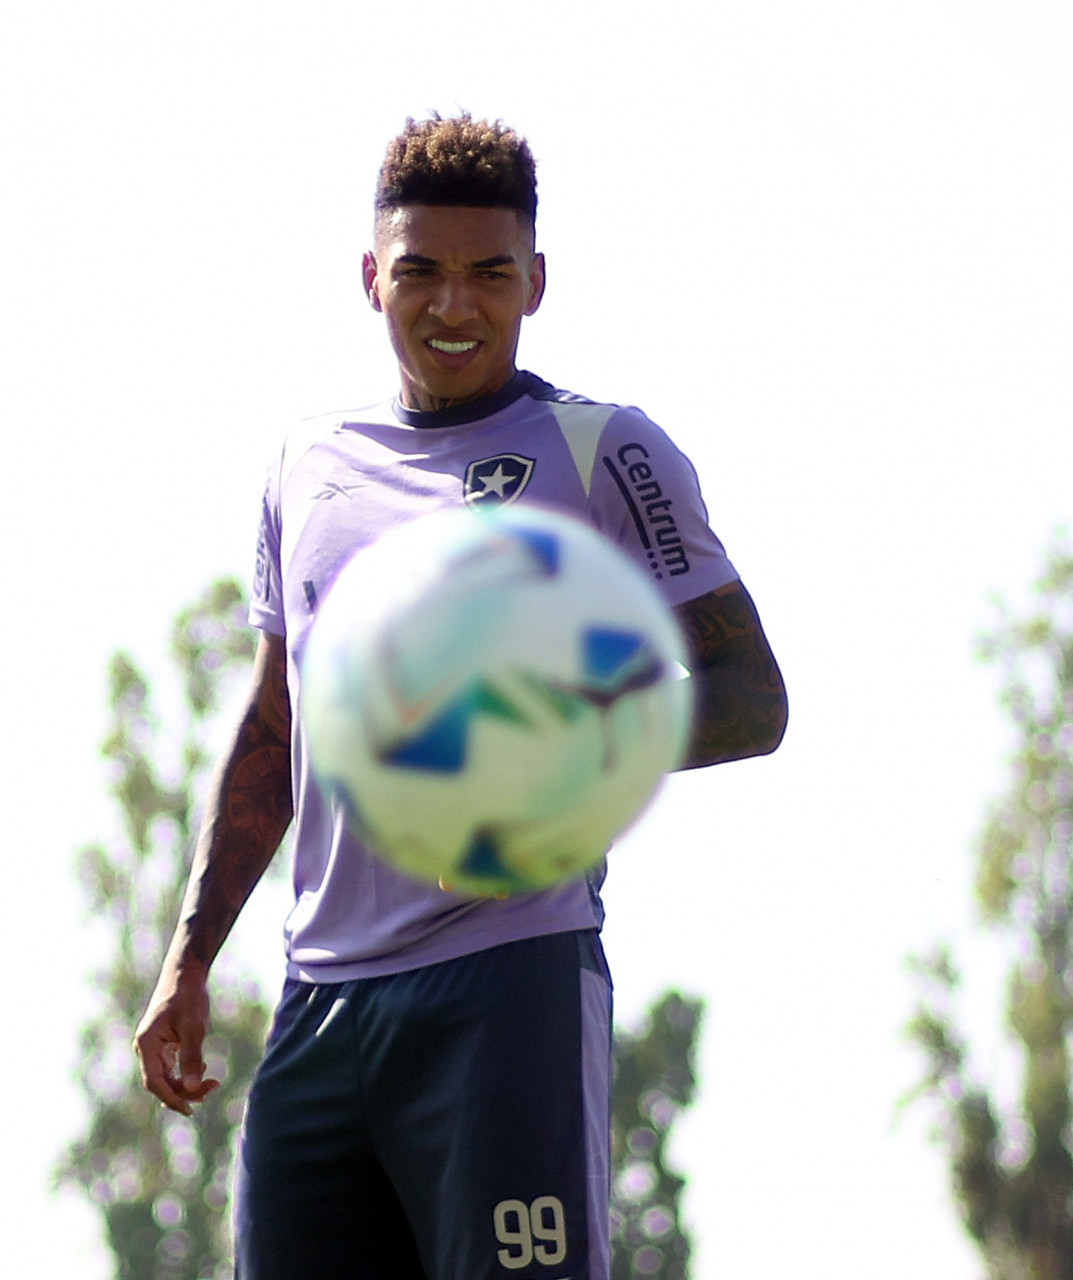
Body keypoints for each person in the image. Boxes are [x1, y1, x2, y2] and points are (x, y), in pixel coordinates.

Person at [132, 112, 787, 1279]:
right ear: (369, 277)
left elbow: (753, 696)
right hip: (320, 1003)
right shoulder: (304, 462)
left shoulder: (603, 450)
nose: (454, 305)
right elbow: (277, 725)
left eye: (489, 274)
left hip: (509, 988)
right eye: (420, 271)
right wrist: (189, 959)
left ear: (536, 281)